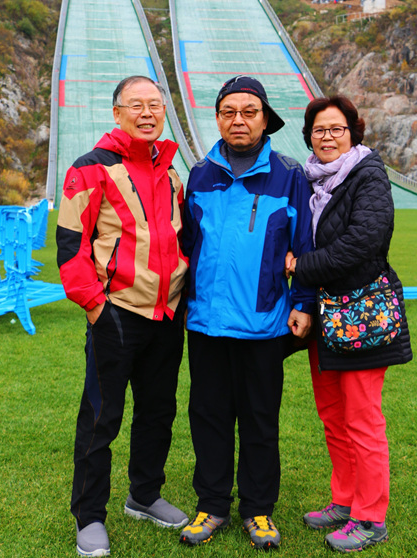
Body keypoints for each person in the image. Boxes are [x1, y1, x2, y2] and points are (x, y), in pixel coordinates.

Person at [179, 75, 315, 550]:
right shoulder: (200, 173)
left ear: (265, 118)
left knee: (260, 421)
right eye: (229, 112)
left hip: (263, 324)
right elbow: (188, 244)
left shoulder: (289, 175)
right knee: (208, 416)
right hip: (206, 323)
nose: (239, 120)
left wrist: (303, 303)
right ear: (218, 118)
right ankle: (212, 504)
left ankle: (258, 509)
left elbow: (304, 246)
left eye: (249, 111)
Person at [56, 75, 189, 558]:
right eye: (136, 105)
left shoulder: (171, 171)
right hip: (116, 312)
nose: (147, 113)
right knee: (101, 417)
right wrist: (95, 306)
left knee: (158, 411)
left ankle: (144, 495)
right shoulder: (89, 168)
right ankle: (89, 516)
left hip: (167, 314)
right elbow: (70, 246)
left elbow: (180, 238)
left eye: (155, 104)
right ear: (117, 113)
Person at [285, 95, 413, 553]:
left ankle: (370, 517)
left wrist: (300, 266)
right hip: (326, 317)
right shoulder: (311, 181)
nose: (327, 137)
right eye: (319, 130)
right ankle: (344, 500)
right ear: (309, 137)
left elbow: (363, 241)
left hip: (362, 315)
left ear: (352, 132)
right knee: (333, 416)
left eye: (336, 128)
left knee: (362, 419)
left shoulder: (368, 174)